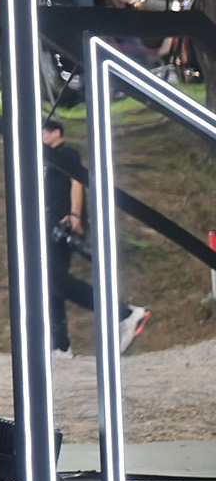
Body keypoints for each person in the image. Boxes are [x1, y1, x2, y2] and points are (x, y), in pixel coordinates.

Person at [41, 118, 150, 354]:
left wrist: (75, 215)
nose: (41, 136)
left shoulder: (67, 153)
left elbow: (76, 182)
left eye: (44, 132)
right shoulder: (48, 158)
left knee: (54, 279)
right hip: (51, 222)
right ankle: (60, 345)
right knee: (51, 281)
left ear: (56, 132)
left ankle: (125, 313)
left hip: (64, 221)